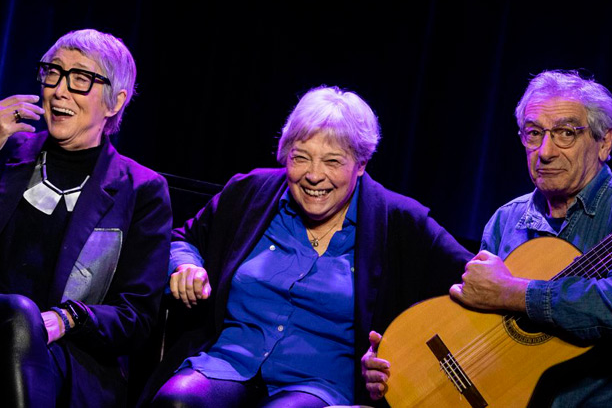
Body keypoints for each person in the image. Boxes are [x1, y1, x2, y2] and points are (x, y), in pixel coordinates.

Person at [141, 85, 472, 407]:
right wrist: (186, 265)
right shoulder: (250, 192)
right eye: (301, 158)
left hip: (319, 387)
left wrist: (402, 352)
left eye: (332, 162)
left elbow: (472, 284)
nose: (314, 175)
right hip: (228, 364)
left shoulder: (399, 221)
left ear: (361, 165)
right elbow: (183, 239)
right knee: (178, 402)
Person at [363, 70, 612, 405]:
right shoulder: (506, 220)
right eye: (533, 133)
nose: (545, 151)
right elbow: (475, 326)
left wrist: (515, 293)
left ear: (605, 142)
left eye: (566, 133)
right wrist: (401, 364)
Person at [0, 29, 172, 407]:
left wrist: (67, 318)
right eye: (53, 73)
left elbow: (136, 317)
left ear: (114, 102)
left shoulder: (141, 189)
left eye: (81, 79)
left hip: (70, 358)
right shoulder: (5, 152)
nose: (59, 90)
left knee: (24, 318)